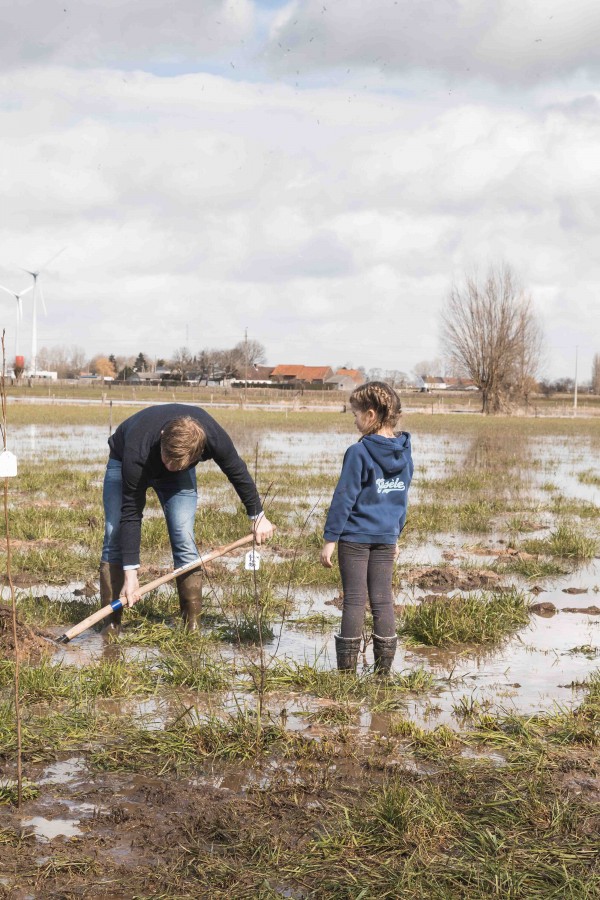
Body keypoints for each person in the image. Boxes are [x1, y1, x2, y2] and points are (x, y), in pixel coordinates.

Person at [100, 404, 274, 634]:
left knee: (184, 537)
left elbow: (236, 470)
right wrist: (131, 574)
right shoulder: (138, 448)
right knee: (114, 534)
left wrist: (258, 515)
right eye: (167, 460)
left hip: (180, 475)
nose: (169, 467)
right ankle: (111, 623)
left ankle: (191, 626)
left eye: (177, 464)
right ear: (162, 438)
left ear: (199, 452)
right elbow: (131, 512)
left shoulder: (212, 437)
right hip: (124, 461)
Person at [320, 382, 413, 674]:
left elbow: (344, 497)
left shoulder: (357, 452)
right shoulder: (405, 453)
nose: (354, 420)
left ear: (370, 415)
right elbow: (401, 499)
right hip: (386, 537)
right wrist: (395, 536)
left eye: (356, 414)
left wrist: (330, 538)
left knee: (356, 601)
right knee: (383, 599)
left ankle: (346, 674)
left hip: (355, 538)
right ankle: (383, 673)